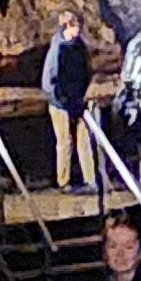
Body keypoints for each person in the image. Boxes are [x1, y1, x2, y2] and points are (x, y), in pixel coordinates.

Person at [40, 10, 93, 191]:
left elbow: (86, 71)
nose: (77, 30)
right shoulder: (58, 49)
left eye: (78, 26)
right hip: (60, 103)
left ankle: (90, 179)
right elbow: (50, 79)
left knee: (84, 140)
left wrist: (81, 95)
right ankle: (64, 181)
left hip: (77, 100)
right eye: (74, 26)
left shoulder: (80, 47)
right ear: (66, 27)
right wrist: (61, 100)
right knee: (64, 142)